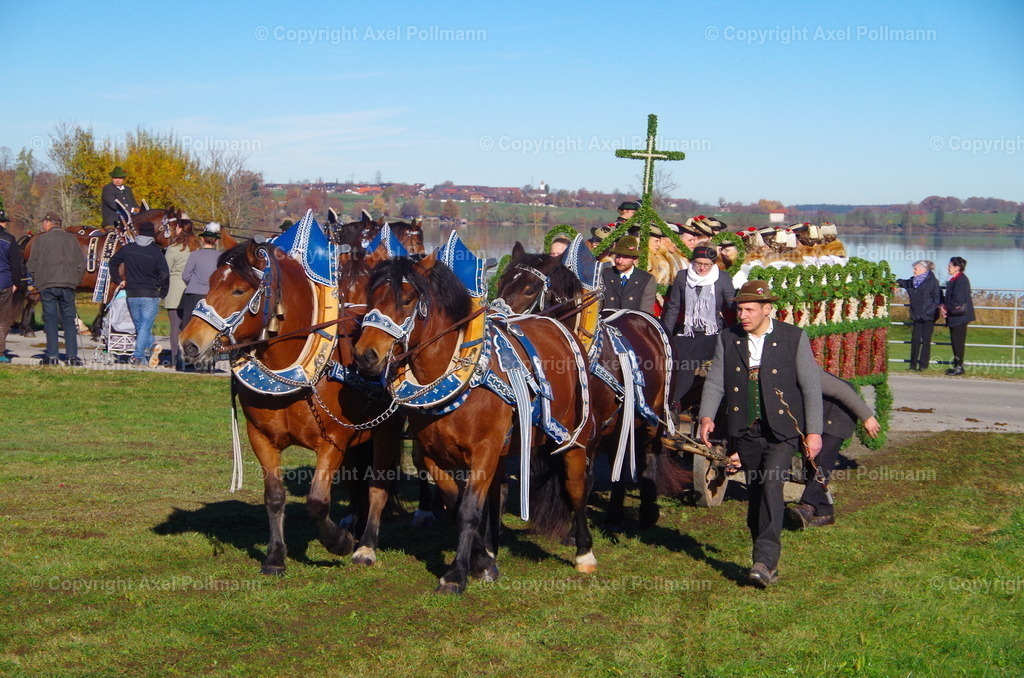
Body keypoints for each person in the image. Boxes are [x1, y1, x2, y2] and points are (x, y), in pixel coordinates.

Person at [698, 279, 822, 589]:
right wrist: (707, 415)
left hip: (782, 432)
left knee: (770, 487)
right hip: (746, 430)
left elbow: (810, 386)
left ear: (767, 309)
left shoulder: (793, 337)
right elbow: (714, 382)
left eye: (749, 309)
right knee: (756, 495)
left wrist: (814, 431)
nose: (743, 315)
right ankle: (763, 557)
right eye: (739, 309)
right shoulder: (729, 339)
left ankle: (765, 561)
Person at [787, 368, 881, 529]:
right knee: (811, 463)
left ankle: (807, 507)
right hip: (817, 415)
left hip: (839, 412)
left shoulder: (801, 367)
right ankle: (825, 512)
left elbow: (842, 390)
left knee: (822, 461)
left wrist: (867, 417)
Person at [661, 245, 735, 403]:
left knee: (689, 360)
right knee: (671, 357)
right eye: (698, 263)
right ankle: (660, 397)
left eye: (706, 264)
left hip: (711, 332)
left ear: (713, 264)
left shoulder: (722, 278)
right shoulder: (682, 276)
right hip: (687, 331)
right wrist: (665, 334)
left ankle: (672, 402)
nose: (702, 268)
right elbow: (674, 307)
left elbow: (731, 305)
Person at [27, 212, 85, 365]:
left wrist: (39, 282)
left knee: (51, 321)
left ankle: (52, 356)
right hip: (68, 285)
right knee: (69, 321)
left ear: (49, 223)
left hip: (48, 285)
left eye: (43, 222)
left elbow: (31, 265)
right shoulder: (72, 239)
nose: (42, 226)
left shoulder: (41, 239)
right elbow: (81, 263)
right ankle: (72, 357)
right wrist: (75, 281)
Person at [108, 221, 169, 367]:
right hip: (150, 294)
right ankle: (137, 357)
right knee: (144, 327)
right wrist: (164, 292)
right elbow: (165, 274)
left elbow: (112, 262)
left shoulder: (129, 249)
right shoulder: (156, 253)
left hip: (132, 293)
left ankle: (153, 347)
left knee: (140, 326)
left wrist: (118, 279)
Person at [163, 220, 199, 370]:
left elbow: (166, 270)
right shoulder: (197, 248)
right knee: (189, 326)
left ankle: (174, 357)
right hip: (193, 289)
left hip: (175, 289)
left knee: (175, 326)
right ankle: (190, 356)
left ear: (178, 229)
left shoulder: (173, 249)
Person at [896, 260, 941, 371]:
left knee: (926, 340)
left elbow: (937, 299)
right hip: (916, 315)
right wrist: (895, 284)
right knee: (915, 340)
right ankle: (913, 364)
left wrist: (927, 312)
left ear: (923, 269)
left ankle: (923, 366)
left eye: (915, 269)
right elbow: (903, 282)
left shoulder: (933, 282)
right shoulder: (913, 281)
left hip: (928, 316)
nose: (913, 271)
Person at [600, 235, 657, 314]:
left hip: (633, 324)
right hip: (607, 322)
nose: (620, 261)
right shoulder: (605, 275)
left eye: (625, 257)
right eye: (618, 256)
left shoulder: (646, 279)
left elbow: (645, 314)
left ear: (635, 258)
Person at [180, 225, 222, 328]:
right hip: (213, 295)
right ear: (216, 241)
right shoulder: (221, 257)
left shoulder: (194, 255)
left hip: (195, 293)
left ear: (202, 239)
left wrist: (194, 283)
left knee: (190, 325)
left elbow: (186, 276)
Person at [940, 256, 975, 376]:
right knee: (955, 342)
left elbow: (958, 300)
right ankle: (957, 365)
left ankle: (959, 366)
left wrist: (946, 308)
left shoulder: (961, 280)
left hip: (960, 317)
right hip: (956, 316)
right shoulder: (956, 279)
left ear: (957, 267)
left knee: (958, 342)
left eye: (950, 266)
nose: (948, 268)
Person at [0, 208, 25, 363]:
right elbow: (16, 264)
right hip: (4, 282)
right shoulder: (9, 239)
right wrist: (16, 282)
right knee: (3, 320)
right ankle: (1, 353)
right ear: (3, 223)